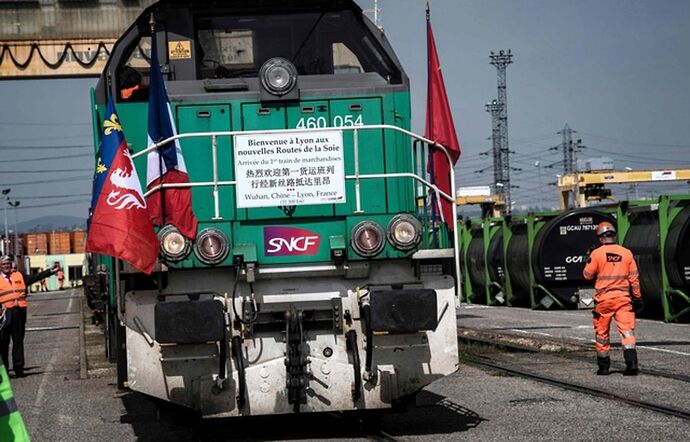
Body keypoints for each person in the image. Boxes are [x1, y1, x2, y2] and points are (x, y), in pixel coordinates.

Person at [583, 222, 643, 376]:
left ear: (600, 238)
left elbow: (587, 275)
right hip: (623, 300)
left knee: (602, 333)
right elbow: (634, 278)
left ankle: (604, 367)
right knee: (627, 332)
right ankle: (632, 365)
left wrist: (589, 258)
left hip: (604, 301)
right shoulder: (627, 253)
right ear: (613, 236)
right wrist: (637, 298)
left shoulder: (596, 254)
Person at [0, 256, 57, 378]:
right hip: (5, 314)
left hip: (19, 313)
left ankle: (19, 368)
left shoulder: (19, 276)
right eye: (4, 264)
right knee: (3, 343)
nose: (6, 266)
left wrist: (50, 271)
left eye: (8, 264)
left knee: (18, 341)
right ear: (0, 266)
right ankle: (4, 371)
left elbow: (35, 277)